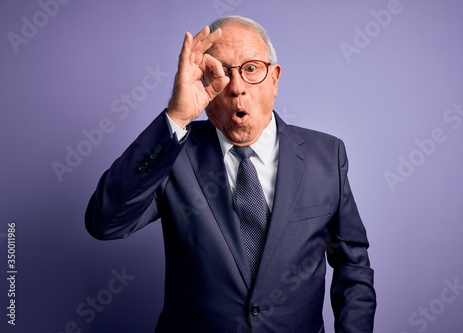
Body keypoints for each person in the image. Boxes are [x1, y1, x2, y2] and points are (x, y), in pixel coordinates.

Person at [85, 15, 376, 333]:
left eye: (251, 69)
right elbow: (105, 223)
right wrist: (176, 116)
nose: (236, 88)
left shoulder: (326, 156)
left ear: (274, 79)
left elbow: (352, 264)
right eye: (221, 72)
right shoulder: (174, 154)